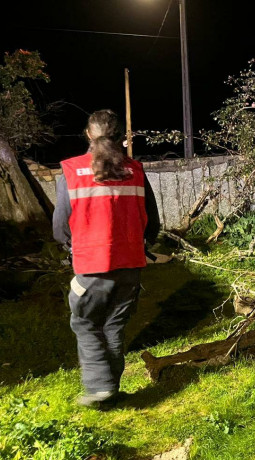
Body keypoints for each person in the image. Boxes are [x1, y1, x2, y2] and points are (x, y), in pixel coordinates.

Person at [53, 109, 160, 408]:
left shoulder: (72, 171)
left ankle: (100, 387)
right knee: (113, 327)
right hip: (131, 266)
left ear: (89, 134)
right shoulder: (136, 170)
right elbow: (153, 222)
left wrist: (68, 248)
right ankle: (111, 391)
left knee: (84, 321)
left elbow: (61, 225)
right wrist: (145, 244)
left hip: (92, 266)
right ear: (120, 137)